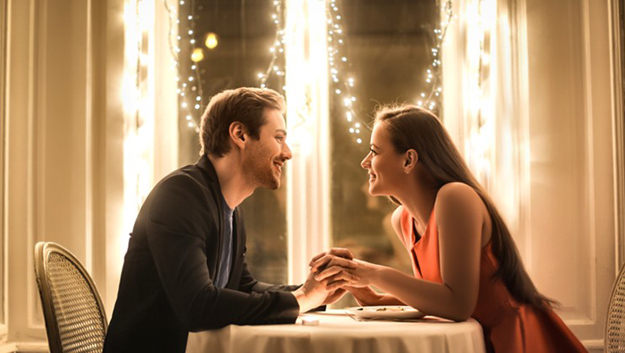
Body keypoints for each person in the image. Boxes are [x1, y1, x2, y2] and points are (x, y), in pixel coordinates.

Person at [312, 105, 587, 352]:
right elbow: (437, 295)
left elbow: (457, 304)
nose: (365, 162)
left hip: (518, 342)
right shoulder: (403, 220)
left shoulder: (455, 197)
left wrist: (372, 272)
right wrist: (372, 297)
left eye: (374, 151)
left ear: (409, 160)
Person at [104, 87, 343, 352]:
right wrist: (300, 298)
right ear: (240, 135)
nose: (287, 153)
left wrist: (319, 289)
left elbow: (244, 287)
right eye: (278, 138)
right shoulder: (181, 195)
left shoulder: (230, 208)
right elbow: (198, 305)